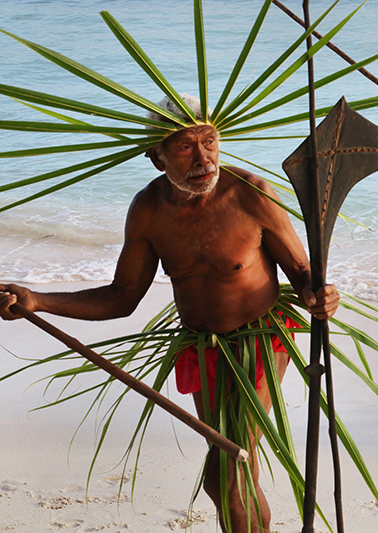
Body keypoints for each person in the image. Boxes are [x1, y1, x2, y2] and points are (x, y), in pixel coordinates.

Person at [0, 96, 339, 532]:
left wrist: (319, 293)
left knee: (233, 465)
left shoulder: (251, 194)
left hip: (262, 339)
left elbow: (302, 270)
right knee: (222, 475)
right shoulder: (148, 211)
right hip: (203, 346)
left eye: (209, 142)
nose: (203, 159)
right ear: (157, 158)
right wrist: (38, 301)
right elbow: (122, 298)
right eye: (185, 147)